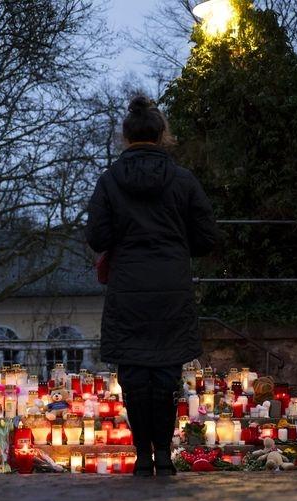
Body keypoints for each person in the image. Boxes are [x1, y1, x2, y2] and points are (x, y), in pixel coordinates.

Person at [84, 95, 219, 476]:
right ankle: (163, 451)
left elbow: (97, 236)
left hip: (128, 287)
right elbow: (207, 237)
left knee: (134, 378)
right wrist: (175, 246)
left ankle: (142, 454)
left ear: (125, 137)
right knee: (164, 376)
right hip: (171, 287)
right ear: (162, 135)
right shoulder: (182, 180)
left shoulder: (110, 181)